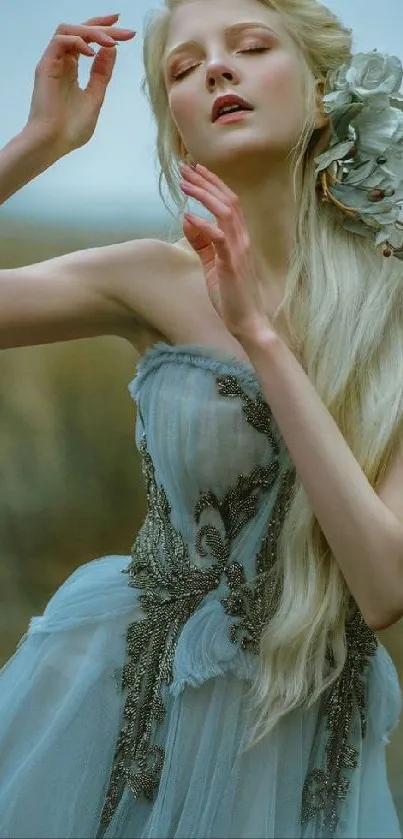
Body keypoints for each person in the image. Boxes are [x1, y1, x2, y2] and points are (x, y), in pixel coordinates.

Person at [0, 1, 402, 837]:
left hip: (298, 716)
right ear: (180, 133)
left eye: (251, 47)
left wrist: (259, 335)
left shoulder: (392, 304)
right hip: (112, 693)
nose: (216, 68)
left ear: (325, 97)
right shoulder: (147, 276)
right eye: (182, 70)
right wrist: (39, 143)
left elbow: (383, 586)